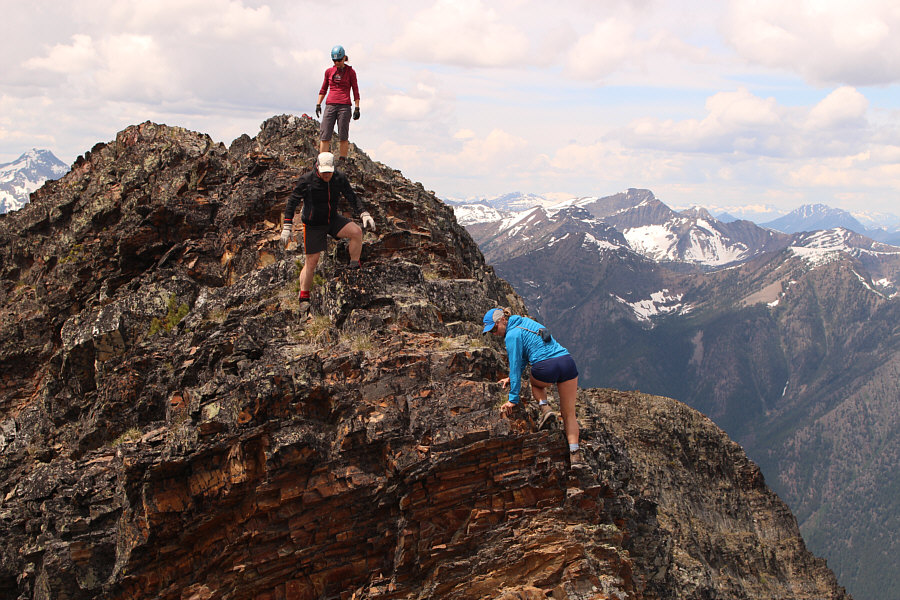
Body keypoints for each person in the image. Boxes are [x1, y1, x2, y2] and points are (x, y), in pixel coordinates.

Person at [483, 307, 585, 469]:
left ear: (503, 320)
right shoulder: (525, 321)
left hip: (546, 367)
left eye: (494, 328)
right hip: (566, 362)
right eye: (491, 332)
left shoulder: (511, 335)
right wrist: (510, 378)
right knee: (569, 414)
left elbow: (515, 366)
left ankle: (545, 408)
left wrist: (512, 399)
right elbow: (528, 351)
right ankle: (575, 455)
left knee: (536, 383)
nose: (494, 333)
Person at [280, 152, 376, 306]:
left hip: (332, 219)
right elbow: (292, 202)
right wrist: (287, 226)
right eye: (324, 172)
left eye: (329, 172)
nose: (327, 175)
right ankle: (304, 296)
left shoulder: (339, 178)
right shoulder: (307, 180)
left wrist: (364, 213)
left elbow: (351, 196)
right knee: (312, 261)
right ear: (317, 167)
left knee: (356, 232)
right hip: (313, 224)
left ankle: (353, 268)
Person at [316, 44, 360, 162]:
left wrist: (357, 107)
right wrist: (318, 104)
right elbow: (323, 88)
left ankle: (342, 160)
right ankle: (323, 161)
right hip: (330, 105)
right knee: (325, 134)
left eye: (339, 60)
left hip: (344, 106)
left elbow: (355, 90)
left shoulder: (351, 72)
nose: (337, 63)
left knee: (343, 135)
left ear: (344, 58)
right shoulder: (329, 72)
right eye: (334, 61)